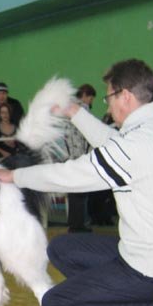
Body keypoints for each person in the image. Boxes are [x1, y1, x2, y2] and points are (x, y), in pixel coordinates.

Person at [0, 59, 153, 306]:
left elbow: (73, 174)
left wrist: (15, 176)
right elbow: (113, 143)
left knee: (56, 305)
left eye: (109, 96)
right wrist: (75, 112)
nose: (109, 103)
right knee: (63, 249)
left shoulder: (138, 144)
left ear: (125, 96)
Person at [64, 83, 96, 233]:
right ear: (85, 95)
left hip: (69, 156)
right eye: (91, 98)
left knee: (73, 192)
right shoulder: (83, 109)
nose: (91, 102)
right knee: (81, 193)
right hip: (80, 156)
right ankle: (80, 224)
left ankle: (73, 223)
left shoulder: (68, 109)